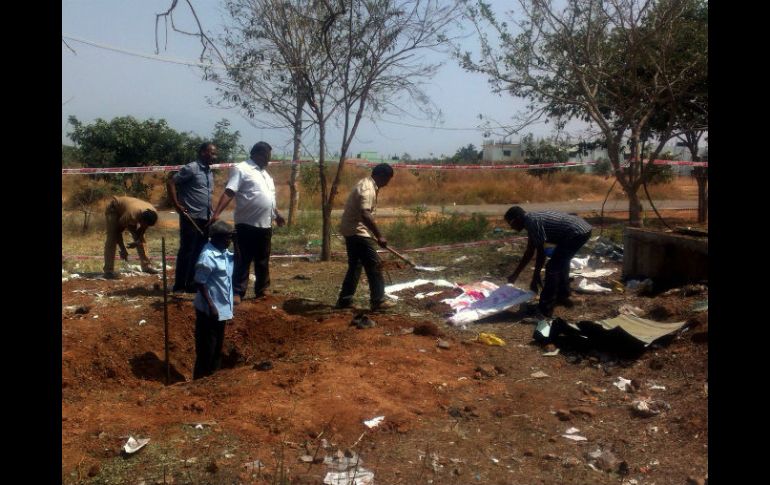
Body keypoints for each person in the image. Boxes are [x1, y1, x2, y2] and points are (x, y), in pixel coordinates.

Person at [210, 141, 285, 304]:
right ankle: (237, 291)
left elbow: (270, 199)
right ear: (258, 154)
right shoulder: (241, 169)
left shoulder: (265, 174)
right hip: (246, 224)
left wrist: (277, 215)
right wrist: (216, 214)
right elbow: (230, 191)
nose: (269, 160)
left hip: (265, 224)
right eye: (267, 156)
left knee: (262, 259)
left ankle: (262, 289)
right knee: (242, 259)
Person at [504, 206, 592, 317]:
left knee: (552, 268)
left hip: (577, 232)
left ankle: (545, 310)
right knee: (561, 262)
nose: (511, 227)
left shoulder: (532, 222)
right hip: (579, 229)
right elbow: (529, 252)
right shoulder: (530, 221)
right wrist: (515, 275)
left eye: (511, 223)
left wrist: (535, 277)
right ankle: (562, 296)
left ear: (518, 218)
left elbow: (541, 255)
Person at [335, 163, 396, 311]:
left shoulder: (366, 183)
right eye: (387, 179)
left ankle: (345, 300)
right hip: (357, 231)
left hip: (351, 230)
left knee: (355, 266)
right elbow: (365, 214)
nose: (387, 184)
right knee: (374, 266)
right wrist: (379, 236)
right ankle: (378, 301)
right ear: (381, 176)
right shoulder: (368, 189)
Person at [167, 142, 217, 293]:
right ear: (202, 152)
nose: (215, 156)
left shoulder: (209, 172)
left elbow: (206, 194)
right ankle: (180, 285)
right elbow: (170, 182)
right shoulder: (192, 168)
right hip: (191, 217)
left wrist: (212, 212)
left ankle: (192, 283)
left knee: (200, 251)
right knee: (187, 251)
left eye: (215, 154)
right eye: (211, 153)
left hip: (205, 218)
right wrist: (176, 205)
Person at [192, 220, 235, 380]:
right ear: (216, 238)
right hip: (209, 310)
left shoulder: (223, 252)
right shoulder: (207, 257)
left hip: (221, 309)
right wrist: (211, 305)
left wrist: (236, 242)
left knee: (217, 347)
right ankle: (200, 380)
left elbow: (241, 261)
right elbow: (199, 282)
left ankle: (214, 379)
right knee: (206, 349)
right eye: (227, 238)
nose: (229, 241)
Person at [103, 196, 159, 279]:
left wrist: (138, 240)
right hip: (114, 209)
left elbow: (144, 227)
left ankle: (147, 266)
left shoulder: (153, 213)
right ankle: (108, 271)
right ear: (140, 219)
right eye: (143, 224)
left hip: (128, 209)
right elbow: (118, 232)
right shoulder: (131, 215)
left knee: (141, 239)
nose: (144, 226)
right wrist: (123, 250)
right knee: (112, 237)